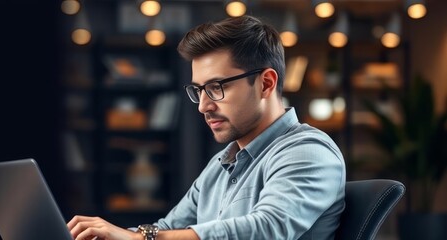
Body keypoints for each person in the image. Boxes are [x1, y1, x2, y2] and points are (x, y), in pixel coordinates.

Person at [67, 15, 346, 240]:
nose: (203, 106)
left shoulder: (308, 151)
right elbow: (167, 228)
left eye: (216, 87)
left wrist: (142, 239)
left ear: (266, 83)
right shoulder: (221, 164)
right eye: (199, 90)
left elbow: (268, 229)